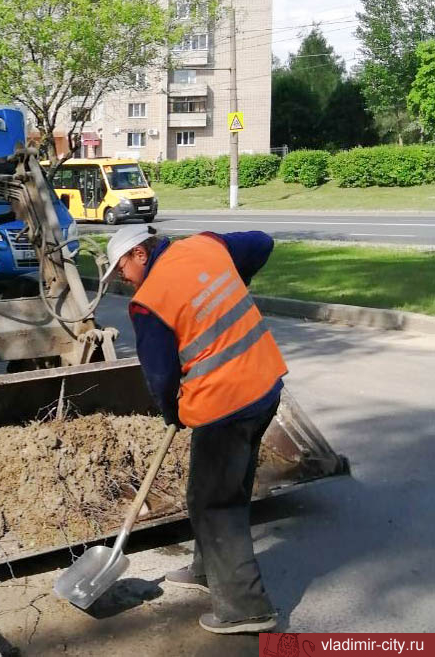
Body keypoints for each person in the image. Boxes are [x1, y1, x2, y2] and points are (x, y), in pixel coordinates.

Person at [100, 224, 286, 634]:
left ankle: (246, 609)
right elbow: (262, 243)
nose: (121, 278)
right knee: (224, 488)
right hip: (266, 385)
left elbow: (161, 376)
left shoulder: (149, 302)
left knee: (214, 503)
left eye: (121, 269)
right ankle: (209, 571)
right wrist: (236, 281)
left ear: (140, 254)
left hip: (226, 405)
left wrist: (172, 413)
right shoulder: (205, 245)